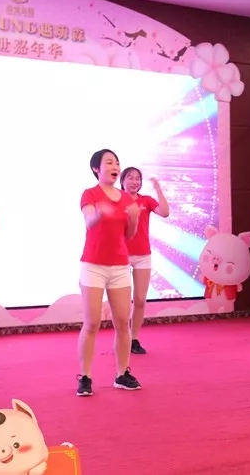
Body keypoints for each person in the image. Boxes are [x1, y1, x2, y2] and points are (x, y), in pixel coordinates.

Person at [77, 149, 141, 397]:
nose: (115, 167)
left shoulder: (126, 198)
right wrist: (100, 213)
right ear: (96, 168)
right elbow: (89, 222)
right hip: (93, 265)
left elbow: (129, 235)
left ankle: (122, 374)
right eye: (109, 162)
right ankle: (85, 377)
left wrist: (133, 219)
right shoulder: (90, 194)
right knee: (92, 322)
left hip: (119, 266)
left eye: (117, 163)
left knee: (123, 322)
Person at [120, 166, 170, 355]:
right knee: (123, 303)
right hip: (121, 256)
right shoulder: (117, 199)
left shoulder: (146, 201)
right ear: (122, 181)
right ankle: (122, 338)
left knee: (140, 300)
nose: (134, 182)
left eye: (137, 178)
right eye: (130, 178)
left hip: (143, 256)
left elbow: (165, 212)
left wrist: (157, 188)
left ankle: (134, 338)